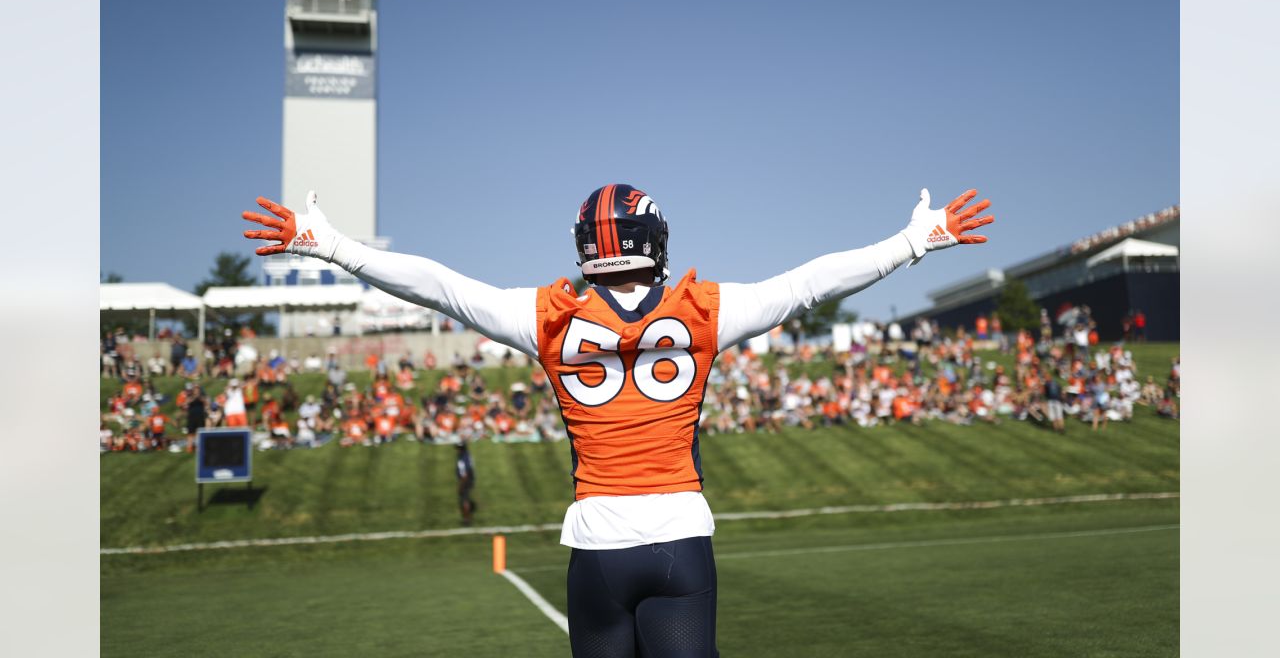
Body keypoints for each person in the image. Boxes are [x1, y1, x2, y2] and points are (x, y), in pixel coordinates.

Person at [243, 183, 993, 657]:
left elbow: (439, 286)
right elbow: (806, 285)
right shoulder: (701, 310)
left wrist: (334, 246)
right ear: (656, 244)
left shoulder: (547, 316)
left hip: (597, 542)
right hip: (679, 538)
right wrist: (911, 244)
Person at [456, 441, 477, 525]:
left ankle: (467, 519)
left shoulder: (461, 460)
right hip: (471, 479)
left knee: (464, 500)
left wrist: (460, 486)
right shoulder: (468, 455)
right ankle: (468, 517)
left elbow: (464, 474)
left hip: (466, 480)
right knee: (466, 498)